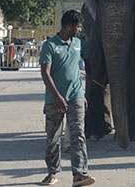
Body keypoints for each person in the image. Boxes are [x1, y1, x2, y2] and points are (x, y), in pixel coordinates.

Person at [39, 10, 95, 186]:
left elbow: (89, 65)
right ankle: (52, 172)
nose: (79, 30)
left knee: (78, 134)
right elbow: (45, 73)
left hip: (76, 96)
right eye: (78, 27)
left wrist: (84, 92)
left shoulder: (79, 43)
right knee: (53, 137)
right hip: (54, 99)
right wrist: (57, 96)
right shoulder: (50, 45)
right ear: (69, 27)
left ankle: (79, 174)